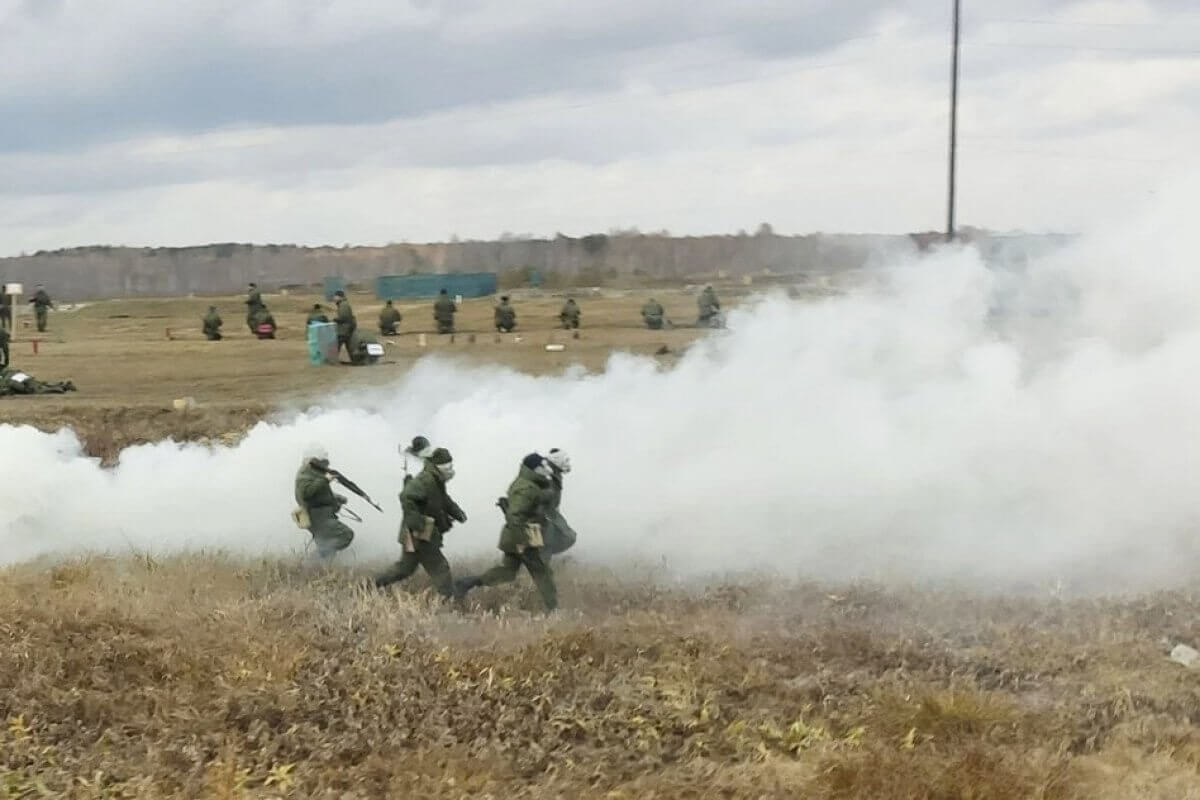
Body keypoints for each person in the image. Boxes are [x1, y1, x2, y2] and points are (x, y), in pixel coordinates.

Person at [455, 453, 557, 611]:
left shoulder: (527, 483)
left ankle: (467, 583)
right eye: (544, 466)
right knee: (542, 573)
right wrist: (521, 541)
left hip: (515, 536)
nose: (547, 468)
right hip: (523, 537)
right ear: (536, 468)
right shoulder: (527, 488)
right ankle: (553, 609)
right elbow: (515, 515)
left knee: (507, 572)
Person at [375, 448, 466, 597]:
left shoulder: (436, 480)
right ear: (439, 467)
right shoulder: (426, 480)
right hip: (421, 532)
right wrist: (417, 523)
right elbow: (406, 496)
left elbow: (443, 499)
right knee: (439, 567)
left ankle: (372, 584)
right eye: (448, 467)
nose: (451, 470)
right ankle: (450, 599)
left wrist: (457, 512)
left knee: (405, 568)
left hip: (418, 532)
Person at [293, 446, 354, 559]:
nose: (325, 463)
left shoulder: (313, 472)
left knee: (328, 552)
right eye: (322, 460)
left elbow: (318, 493)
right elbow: (306, 493)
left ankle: (315, 567)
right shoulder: (305, 474)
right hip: (318, 517)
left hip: (323, 515)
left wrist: (336, 498)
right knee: (346, 535)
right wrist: (325, 480)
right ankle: (316, 556)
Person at [541, 448, 577, 561]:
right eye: (565, 460)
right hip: (543, 514)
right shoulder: (547, 475)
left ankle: (538, 558)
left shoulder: (555, 474)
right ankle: (540, 564)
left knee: (568, 536)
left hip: (551, 513)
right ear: (557, 460)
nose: (567, 463)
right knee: (549, 539)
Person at [0, 367, 76, 396]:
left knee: (41, 390)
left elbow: (12, 384)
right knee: (42, 384)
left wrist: (25, 390)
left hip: (26, 384)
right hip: (27, 379)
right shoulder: (12, 371)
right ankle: (62, 385)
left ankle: (63, 388)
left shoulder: (6, 379)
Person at [334, 290, 356, 357]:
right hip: (347, 328)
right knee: (349, 345)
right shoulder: (343, 304)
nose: (334, 298)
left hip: (344, 329)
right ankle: (355, 359)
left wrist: (336, 319)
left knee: (337, 345)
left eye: (335, 296)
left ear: (340, 297)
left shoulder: (343, 305)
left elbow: (344, 317)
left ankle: (333, 360)